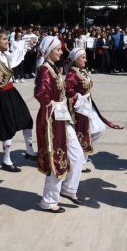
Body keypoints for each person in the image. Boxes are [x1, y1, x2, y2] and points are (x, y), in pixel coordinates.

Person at [34, 36, 85, 212]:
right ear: (48, 51)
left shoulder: (53, 68)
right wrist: (52, 104)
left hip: (62, 118)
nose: (60, 52)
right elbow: (40, 93)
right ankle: (49, 200)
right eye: (57, 49)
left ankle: (68, 188)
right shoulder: (45, 70)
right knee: (57, 157)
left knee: (77, 154)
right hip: (52, 120)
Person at [0, 29, 36, 172]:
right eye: (4, 39)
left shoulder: (6, 55)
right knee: (7, 127)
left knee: (27, 120)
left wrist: (27, 45)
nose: (7, 41)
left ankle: (30, 152)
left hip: (12, 91)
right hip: (2, 95)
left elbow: (17, 57)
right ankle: (6, 160)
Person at [65, 48, 122, 173]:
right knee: (83, 133)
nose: (86, 60)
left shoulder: (81, 71)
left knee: (99, 128)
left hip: (88, 105)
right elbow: (67, 90)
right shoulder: (72, 74)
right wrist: (79, 99)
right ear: (75, 59)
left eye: (85, 57)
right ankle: (80, 160)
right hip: (80, 107)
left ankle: (80, 156)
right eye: (83, 58)